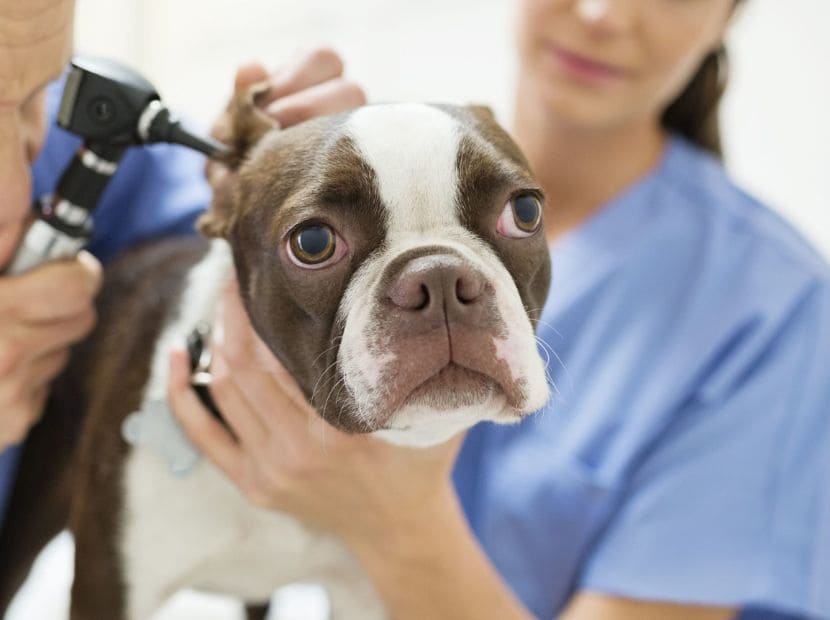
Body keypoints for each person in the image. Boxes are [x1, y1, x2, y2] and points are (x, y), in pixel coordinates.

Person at [166, 1, 830, 619]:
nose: (603, 13)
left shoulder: (775, 315)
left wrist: (394, 522)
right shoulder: (327, 150)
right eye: (315, 243)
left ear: (730, 15)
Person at [0, 0, 363, 527]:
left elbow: (223, 234)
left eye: (34, 98)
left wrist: (291, 185)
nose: (15, 191)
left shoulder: (67, 135)